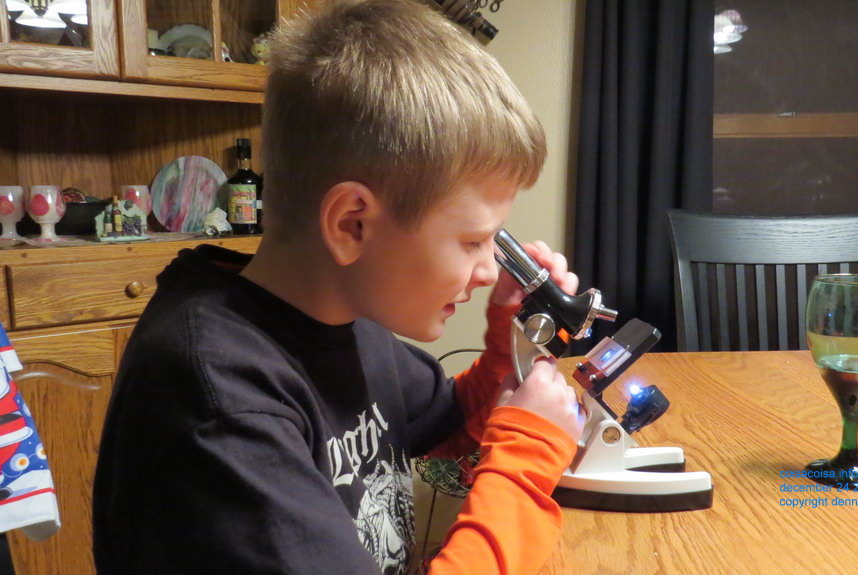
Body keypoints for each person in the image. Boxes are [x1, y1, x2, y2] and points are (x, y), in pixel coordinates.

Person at [92, 1, 585, 574]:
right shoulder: (220, 399)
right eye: (474, 241)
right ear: (352, 223)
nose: (487, 270)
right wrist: (527, 460)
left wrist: (506, 348)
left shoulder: (342, 316)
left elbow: (449, 425)